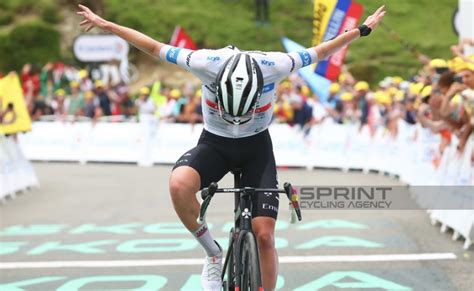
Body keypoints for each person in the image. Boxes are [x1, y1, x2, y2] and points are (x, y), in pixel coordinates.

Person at [77, 4, 386, 290]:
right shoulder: (203, 62)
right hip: (215, 144)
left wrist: (362, 29)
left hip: (256, 148)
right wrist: (106, 24)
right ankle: (213, 253)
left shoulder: (276, 65)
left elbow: (320, 51)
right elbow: (155, 47)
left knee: (264, 235)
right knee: (179, 184)